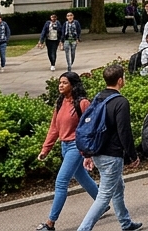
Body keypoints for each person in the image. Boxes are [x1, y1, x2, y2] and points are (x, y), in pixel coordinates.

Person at [76, 64, 143, 231]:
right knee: (104, 196)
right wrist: (133, 156)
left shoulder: (99, 98)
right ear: (120, 80)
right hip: (111, 156)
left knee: (118, 188)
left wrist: (88, 154)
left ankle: (126, 223)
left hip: (97, 152)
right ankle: (83, 229)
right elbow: (124, 132)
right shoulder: (120, 102)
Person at [36, 72, 99, 231]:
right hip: (64, 146)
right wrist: (46, 149)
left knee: (61, 181)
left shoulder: (83, 103)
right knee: (82, 177)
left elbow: (91, 127)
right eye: (60, 82)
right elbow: (54, 128)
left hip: (76, 147)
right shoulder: (60, 102)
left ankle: (50, 224)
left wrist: (88, 152)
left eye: (64, 82)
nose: (60, 85)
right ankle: (101, 205)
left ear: (73, 85)